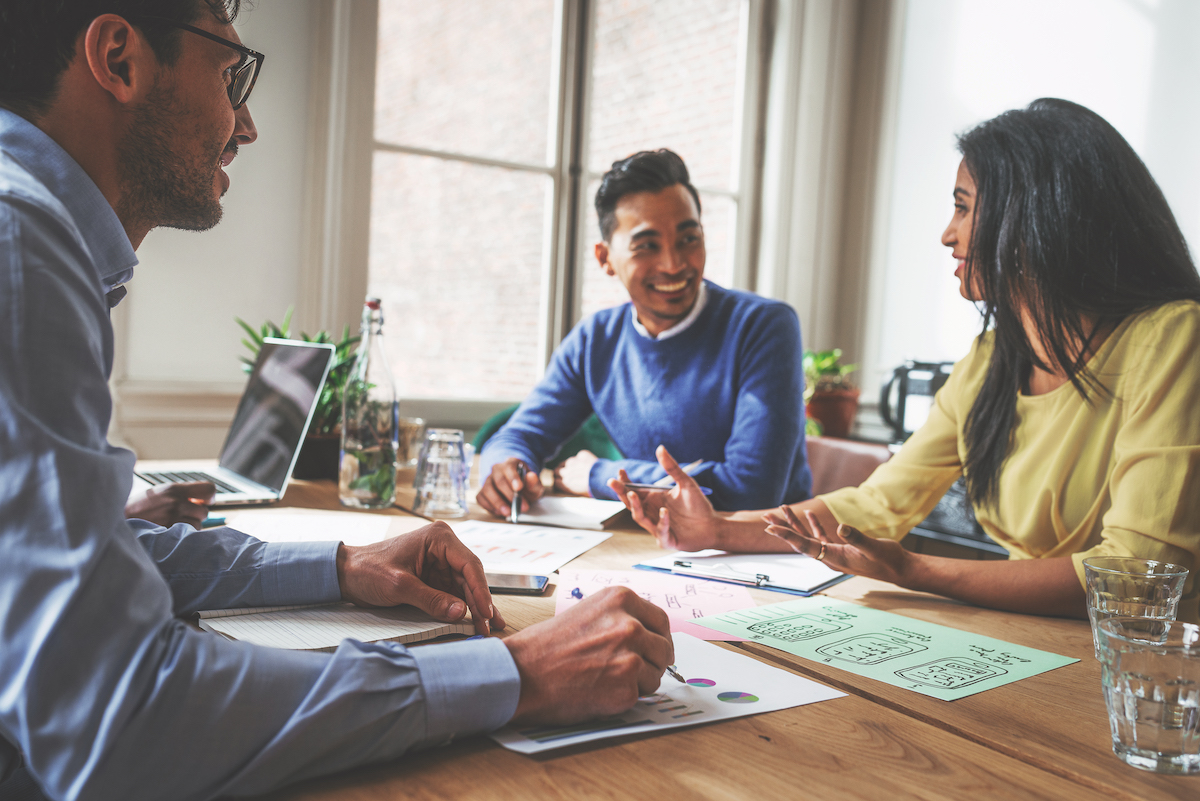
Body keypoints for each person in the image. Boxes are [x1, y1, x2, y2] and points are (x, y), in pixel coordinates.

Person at [0, 3, 673, 800]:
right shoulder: (23, 252)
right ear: (119, 58)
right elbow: (120, 714)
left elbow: (102, 556)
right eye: (230, 73)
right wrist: (513, 669)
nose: (245, 125)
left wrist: (340, 566)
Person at [612, 99, 1200, 623]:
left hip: (1153, 671)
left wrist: (919, 571)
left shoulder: (1174, 339)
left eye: (965, 209)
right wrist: (718, 529)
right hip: (1039, 641)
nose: (949, 234)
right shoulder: (993, 358)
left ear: (1038, 214)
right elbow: (877, 503)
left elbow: (1137, 575)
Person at [477, 149, 812, 518]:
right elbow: (515, 436)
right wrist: (507, 468)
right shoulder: (595, 340)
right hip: (650, 543)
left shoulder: (763, 327)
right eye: (647, 246)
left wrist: (599, 475)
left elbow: (752, 490)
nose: (674, 264)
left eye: (689, 239)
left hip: (765, 556)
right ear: (605, 258)